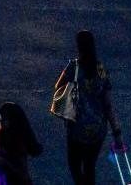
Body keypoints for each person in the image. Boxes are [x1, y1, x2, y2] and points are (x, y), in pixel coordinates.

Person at [51, 30, 123, 185]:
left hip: (77, 126)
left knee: (74, 164)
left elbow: (58, 86)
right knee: (90, 165)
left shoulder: (74, 67)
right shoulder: (100, 69)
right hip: (98, 128)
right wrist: (116, 132)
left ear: (78, 46)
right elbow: (108, 104)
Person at [0, 102, 42, 185]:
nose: (0, 120)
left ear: (12, 119)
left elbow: (22, 172)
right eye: (0, 117)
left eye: (4, 118)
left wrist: (4, 162)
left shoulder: (18, 141)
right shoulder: (3, 134)